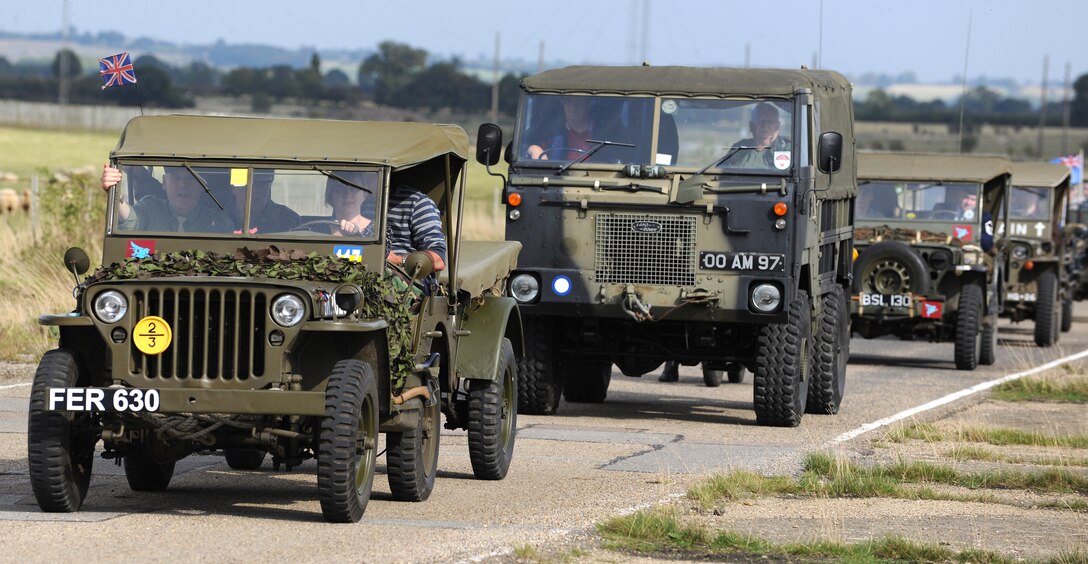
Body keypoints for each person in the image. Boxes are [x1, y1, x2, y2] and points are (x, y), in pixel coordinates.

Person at [101, 163, 233, 233]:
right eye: (176, 178)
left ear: (202, 186)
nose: (182, 185)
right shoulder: (150, 209)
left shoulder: (217, 223)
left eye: (190, 179)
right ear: (164, 183)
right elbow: (130, 220)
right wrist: (115, 192)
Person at [385, 184, 447, 276]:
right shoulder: (357, 200)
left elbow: (438, 259)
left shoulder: (416, 202)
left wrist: (398, 261)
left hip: (404, 279)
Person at [721, 103, 792, 169]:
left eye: (770, 122)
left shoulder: (788, 148)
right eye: (761, 122)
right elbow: (720, 174)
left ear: (778, 126)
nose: (765, 126)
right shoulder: (739, 149)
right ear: (751, 126)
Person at [527, 97, 597, 161]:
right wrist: (534, 149)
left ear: (589, 105)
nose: (573, 107)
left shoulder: (602, 132)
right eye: (568, 102)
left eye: (579, 103)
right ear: (563, 105)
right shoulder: (549, 131)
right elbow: (522, 145)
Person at [231, 169, 300, 233]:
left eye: (261, 185)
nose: (253, 191)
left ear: (269, 187)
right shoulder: (221, 220)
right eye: (246, 185)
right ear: (233, 188)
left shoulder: (287, 219)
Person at [323, 172, 376, 237]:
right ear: (331, 195)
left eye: (354, 188)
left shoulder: (378, 231)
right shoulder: (316, 230)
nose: (348, 194)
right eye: (340, 189)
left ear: (364, 194)